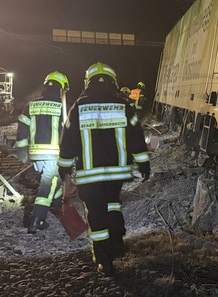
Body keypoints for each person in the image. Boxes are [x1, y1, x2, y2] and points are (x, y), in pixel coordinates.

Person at [58, 62, 150, 277]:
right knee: (112, 204)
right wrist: (143, 163)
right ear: (113, 82)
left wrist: (64, 168)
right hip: (116, 174)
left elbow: (68, 141)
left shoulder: (79, 107)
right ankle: (117, 238)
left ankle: (104, 261)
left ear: (87, 83)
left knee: (96, 217)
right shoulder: (123, 105)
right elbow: (136, 136)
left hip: (90, 176)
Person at [15, 71, 70, 234]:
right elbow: (69, 132)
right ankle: (37, 220)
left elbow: (22, 128)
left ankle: (57, 206)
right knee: (48, 185)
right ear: (61, 89)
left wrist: (22, 150)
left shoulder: (31, 105)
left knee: (55, 181)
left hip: (36, 154)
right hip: (54, 154)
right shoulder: (63, 107)